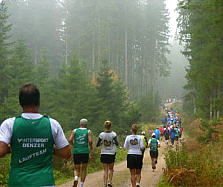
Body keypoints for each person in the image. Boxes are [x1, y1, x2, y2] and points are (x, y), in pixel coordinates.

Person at [0, 83, 71, 187]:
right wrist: (48, 148)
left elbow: (1, 151)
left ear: (20, 103)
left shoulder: (9, 124)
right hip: (45, 182)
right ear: (38, 102)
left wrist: (14, 147)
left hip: (18, 182)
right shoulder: (52, 124)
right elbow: (66, 154)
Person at [69, 118, 93, 187]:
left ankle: (76, 178)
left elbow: (70, 139)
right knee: (84, 169)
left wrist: (74, 145)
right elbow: (90, 141)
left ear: (80, 124)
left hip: (76, 152)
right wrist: (90, 147)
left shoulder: (75, 130)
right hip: (85, 152)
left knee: (76, 168)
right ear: (86, 124)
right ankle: (81, 185)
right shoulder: (88, 131)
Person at [96, 120, 118, 187]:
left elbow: (97, 144)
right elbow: (116, 143)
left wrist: (102, 142)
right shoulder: (114, 134)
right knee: (111, 169)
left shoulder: (101, 134)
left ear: (104, 126)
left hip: (104, 153)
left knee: (105, 170)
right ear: (110, 126)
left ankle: (105, 184)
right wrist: (113, 142)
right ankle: (110, 182)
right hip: (111, 153)